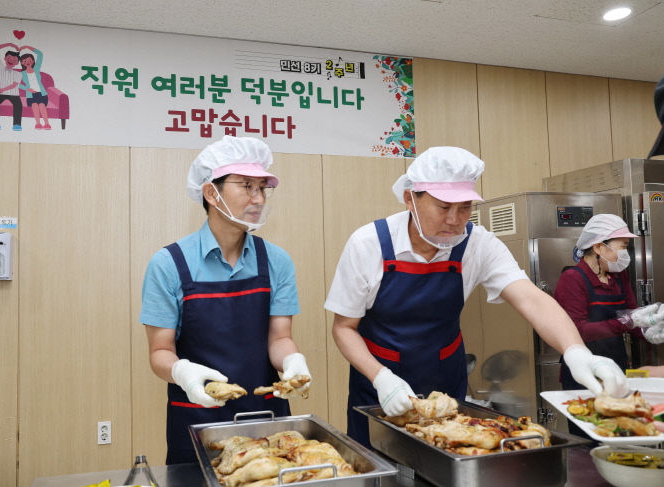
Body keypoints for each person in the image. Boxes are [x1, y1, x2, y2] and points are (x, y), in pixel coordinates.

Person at [325, 146, 629, 447]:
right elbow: (344, 328)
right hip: (379, 387)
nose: (456, 220)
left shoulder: (477, 244)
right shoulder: (369, 245)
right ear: (410, 199)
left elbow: (530, 298)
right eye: (444, 207)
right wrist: (381, 378)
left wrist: (576, 351)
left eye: (465, 207)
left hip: (445, 382)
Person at [140, 136, 311, 464]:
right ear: (211, 193)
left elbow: (281, 338)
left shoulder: (276, 261)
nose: (258, 197)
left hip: (267, 417)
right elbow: (160, 351)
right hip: (197, 421)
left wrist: (292, 362)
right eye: (246, 185)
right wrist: (182, 374)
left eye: (262, 187)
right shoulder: (169, 264)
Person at [554, 214, 664, 391]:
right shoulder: (572, 279)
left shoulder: (620, 276)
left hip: (617, 365)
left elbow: (632, 316)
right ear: (598, 247)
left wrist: (648, 329)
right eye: (622, 247)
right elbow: (578, 331)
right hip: (583, 372)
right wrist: (626, 322)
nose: (625, 254)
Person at [0, 42, 22, 131]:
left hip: (13, 94)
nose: (11, 61)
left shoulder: (18, 74)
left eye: (15, 60)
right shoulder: (0, 67)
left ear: (17, 62)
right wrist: (9, 44)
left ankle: (17, 125)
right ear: (5, 59)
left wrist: (3, 89)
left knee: (18, 105)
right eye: (9, 58)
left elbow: (14, 85)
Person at [18, 46, 51, 130]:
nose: (27, 62)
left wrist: (26, 47)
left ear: (33, 61)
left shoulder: (36, 69)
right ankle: (38, 123)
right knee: (35, 106)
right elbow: (17, 84)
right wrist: (27, 89)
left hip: (41, 93)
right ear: (22, 63)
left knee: (42, 105)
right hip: (31, 94)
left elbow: (40, 54)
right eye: (25, 61)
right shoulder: (22, 73)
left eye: (29, 60)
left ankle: (47, 123)